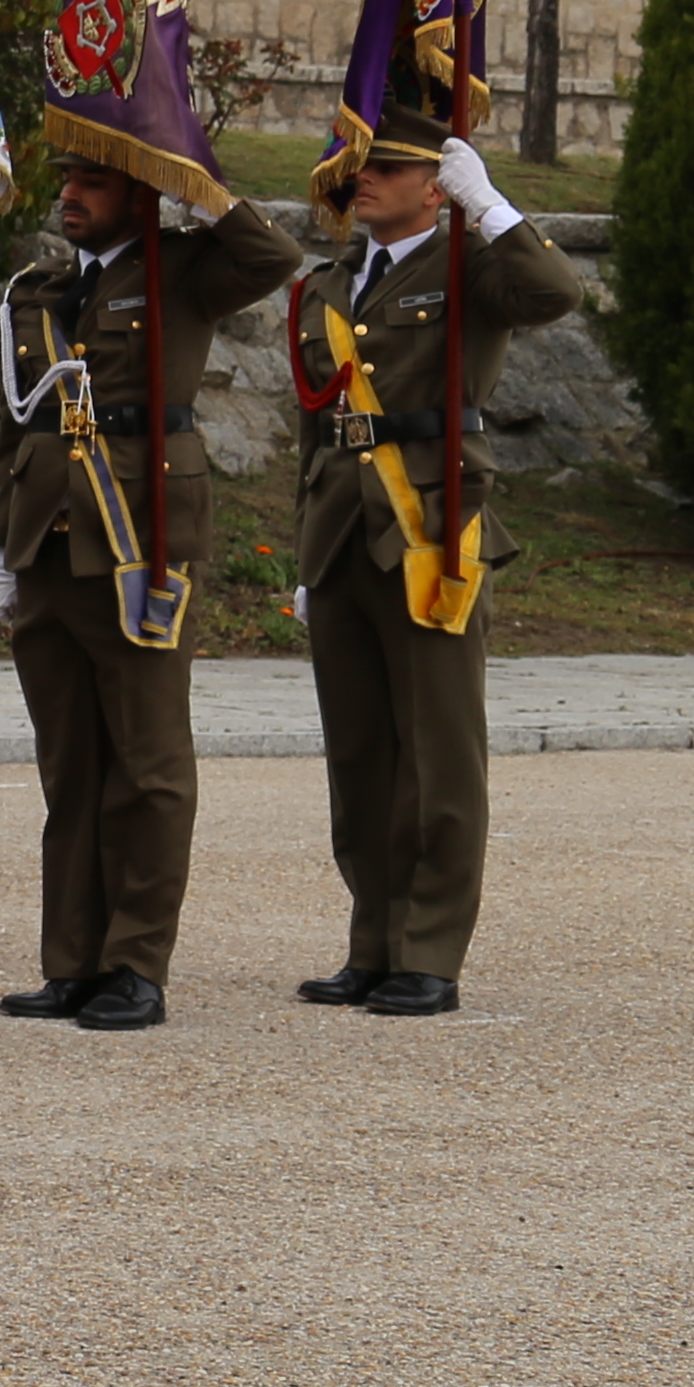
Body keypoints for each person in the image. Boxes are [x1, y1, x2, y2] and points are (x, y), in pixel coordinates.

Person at [0, 155, 304, 1033]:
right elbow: (16, 421)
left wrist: (198, 187)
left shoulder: (183, 271)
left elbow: (273, 257)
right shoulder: (37, 288)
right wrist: (1, 543)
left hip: (138, 535)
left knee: (149, 763)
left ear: (140, 192)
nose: (69, 197)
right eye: (66, 182)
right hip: (47, 536)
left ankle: (136, 964)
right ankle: (72, 962)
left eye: (92, 182)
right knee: (71, 765)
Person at [289, 94, 581, 1018]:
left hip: (430, 530)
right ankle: (372, 941)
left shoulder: (469, 267)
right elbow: (316, 428)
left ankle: (430, 949)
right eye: (358, 168)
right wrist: (304, 561)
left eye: (388, 167)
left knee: (439, 757)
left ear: (434, 184)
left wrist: (488, 205)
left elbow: (554, 293)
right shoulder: (331, 283)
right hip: (342, 534)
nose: (361, 179)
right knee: (361, 756)